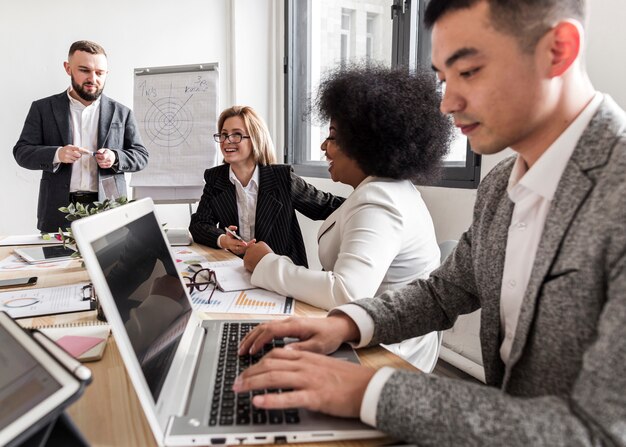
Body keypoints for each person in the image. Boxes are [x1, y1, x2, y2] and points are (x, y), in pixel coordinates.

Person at [233, 0, 626, 445]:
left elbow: (600, 432)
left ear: (559, 49)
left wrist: (369, 390)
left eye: (470, 71)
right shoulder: (501, 185)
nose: (447, 104)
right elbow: (445, 291)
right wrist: (347, 323)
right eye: (443, 79)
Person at [243, 65, 451, 371]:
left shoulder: (379, 200)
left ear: (367, 143)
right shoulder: (389, 189)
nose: (323, 147)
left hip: (387, 354)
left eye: (333, 138)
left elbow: (346, 293)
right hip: (372, 333)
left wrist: (266, 263)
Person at [13, 40, 149, 233]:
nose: (93, 78)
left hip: (109, 209)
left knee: (112, 264)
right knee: (57, 263)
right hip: (58, 210)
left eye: (99, 73)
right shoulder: (42, 109)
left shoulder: (122, 112)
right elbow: (22, 152)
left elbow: (141, 156)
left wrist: (115, 157)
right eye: (84, 70)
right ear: (68, 68)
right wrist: (57, 154)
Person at [189, 105, 344, 268]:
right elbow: (199, 225)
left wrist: (367, 196)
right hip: (235, 270)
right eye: (224, 135)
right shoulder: (216, 178)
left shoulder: (282, 178)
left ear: (255, 138)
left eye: (236, 135)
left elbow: (327, 206)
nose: (227, 141)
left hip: (281, 271)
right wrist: (223, 240)